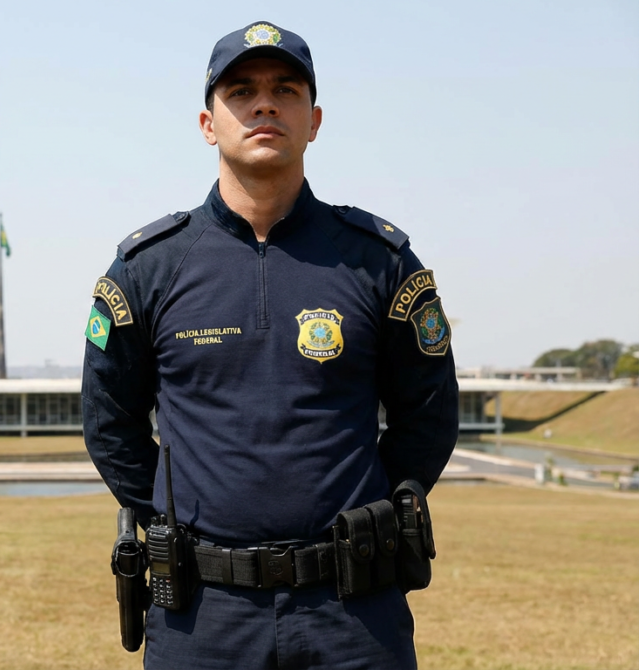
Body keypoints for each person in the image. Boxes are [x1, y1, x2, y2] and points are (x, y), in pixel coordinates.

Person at [82, 21, 458, 669]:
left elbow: (429, 414)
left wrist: (367, 516)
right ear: (208, 123)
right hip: (201, 615)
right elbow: (108, 424)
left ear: (313, 120)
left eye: (285, 90)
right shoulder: (148, 268)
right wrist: (177, 524)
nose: (264, 105)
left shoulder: (379, 262)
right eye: (241, 91)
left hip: (353, 613)